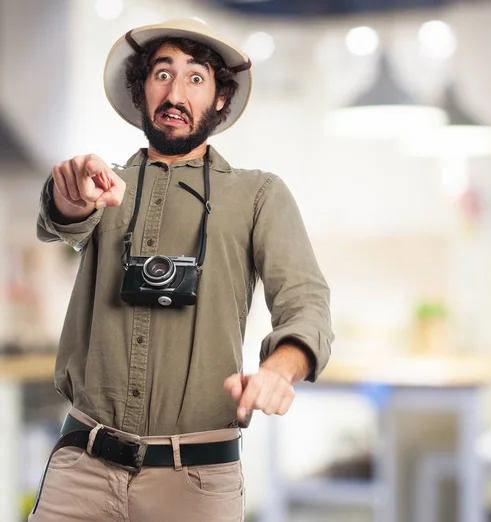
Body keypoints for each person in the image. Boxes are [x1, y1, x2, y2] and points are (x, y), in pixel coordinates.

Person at [32, 18, 333, 522]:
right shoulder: (103, 184)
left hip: (196, 480)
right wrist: (67, 196)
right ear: (141, 90)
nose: (176, 92)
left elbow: (306, 304)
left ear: (219, 98)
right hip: (82, 468)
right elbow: (65, 217)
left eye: (195, 78)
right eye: (161, 74)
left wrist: (279, 370)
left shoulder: (258, 195)